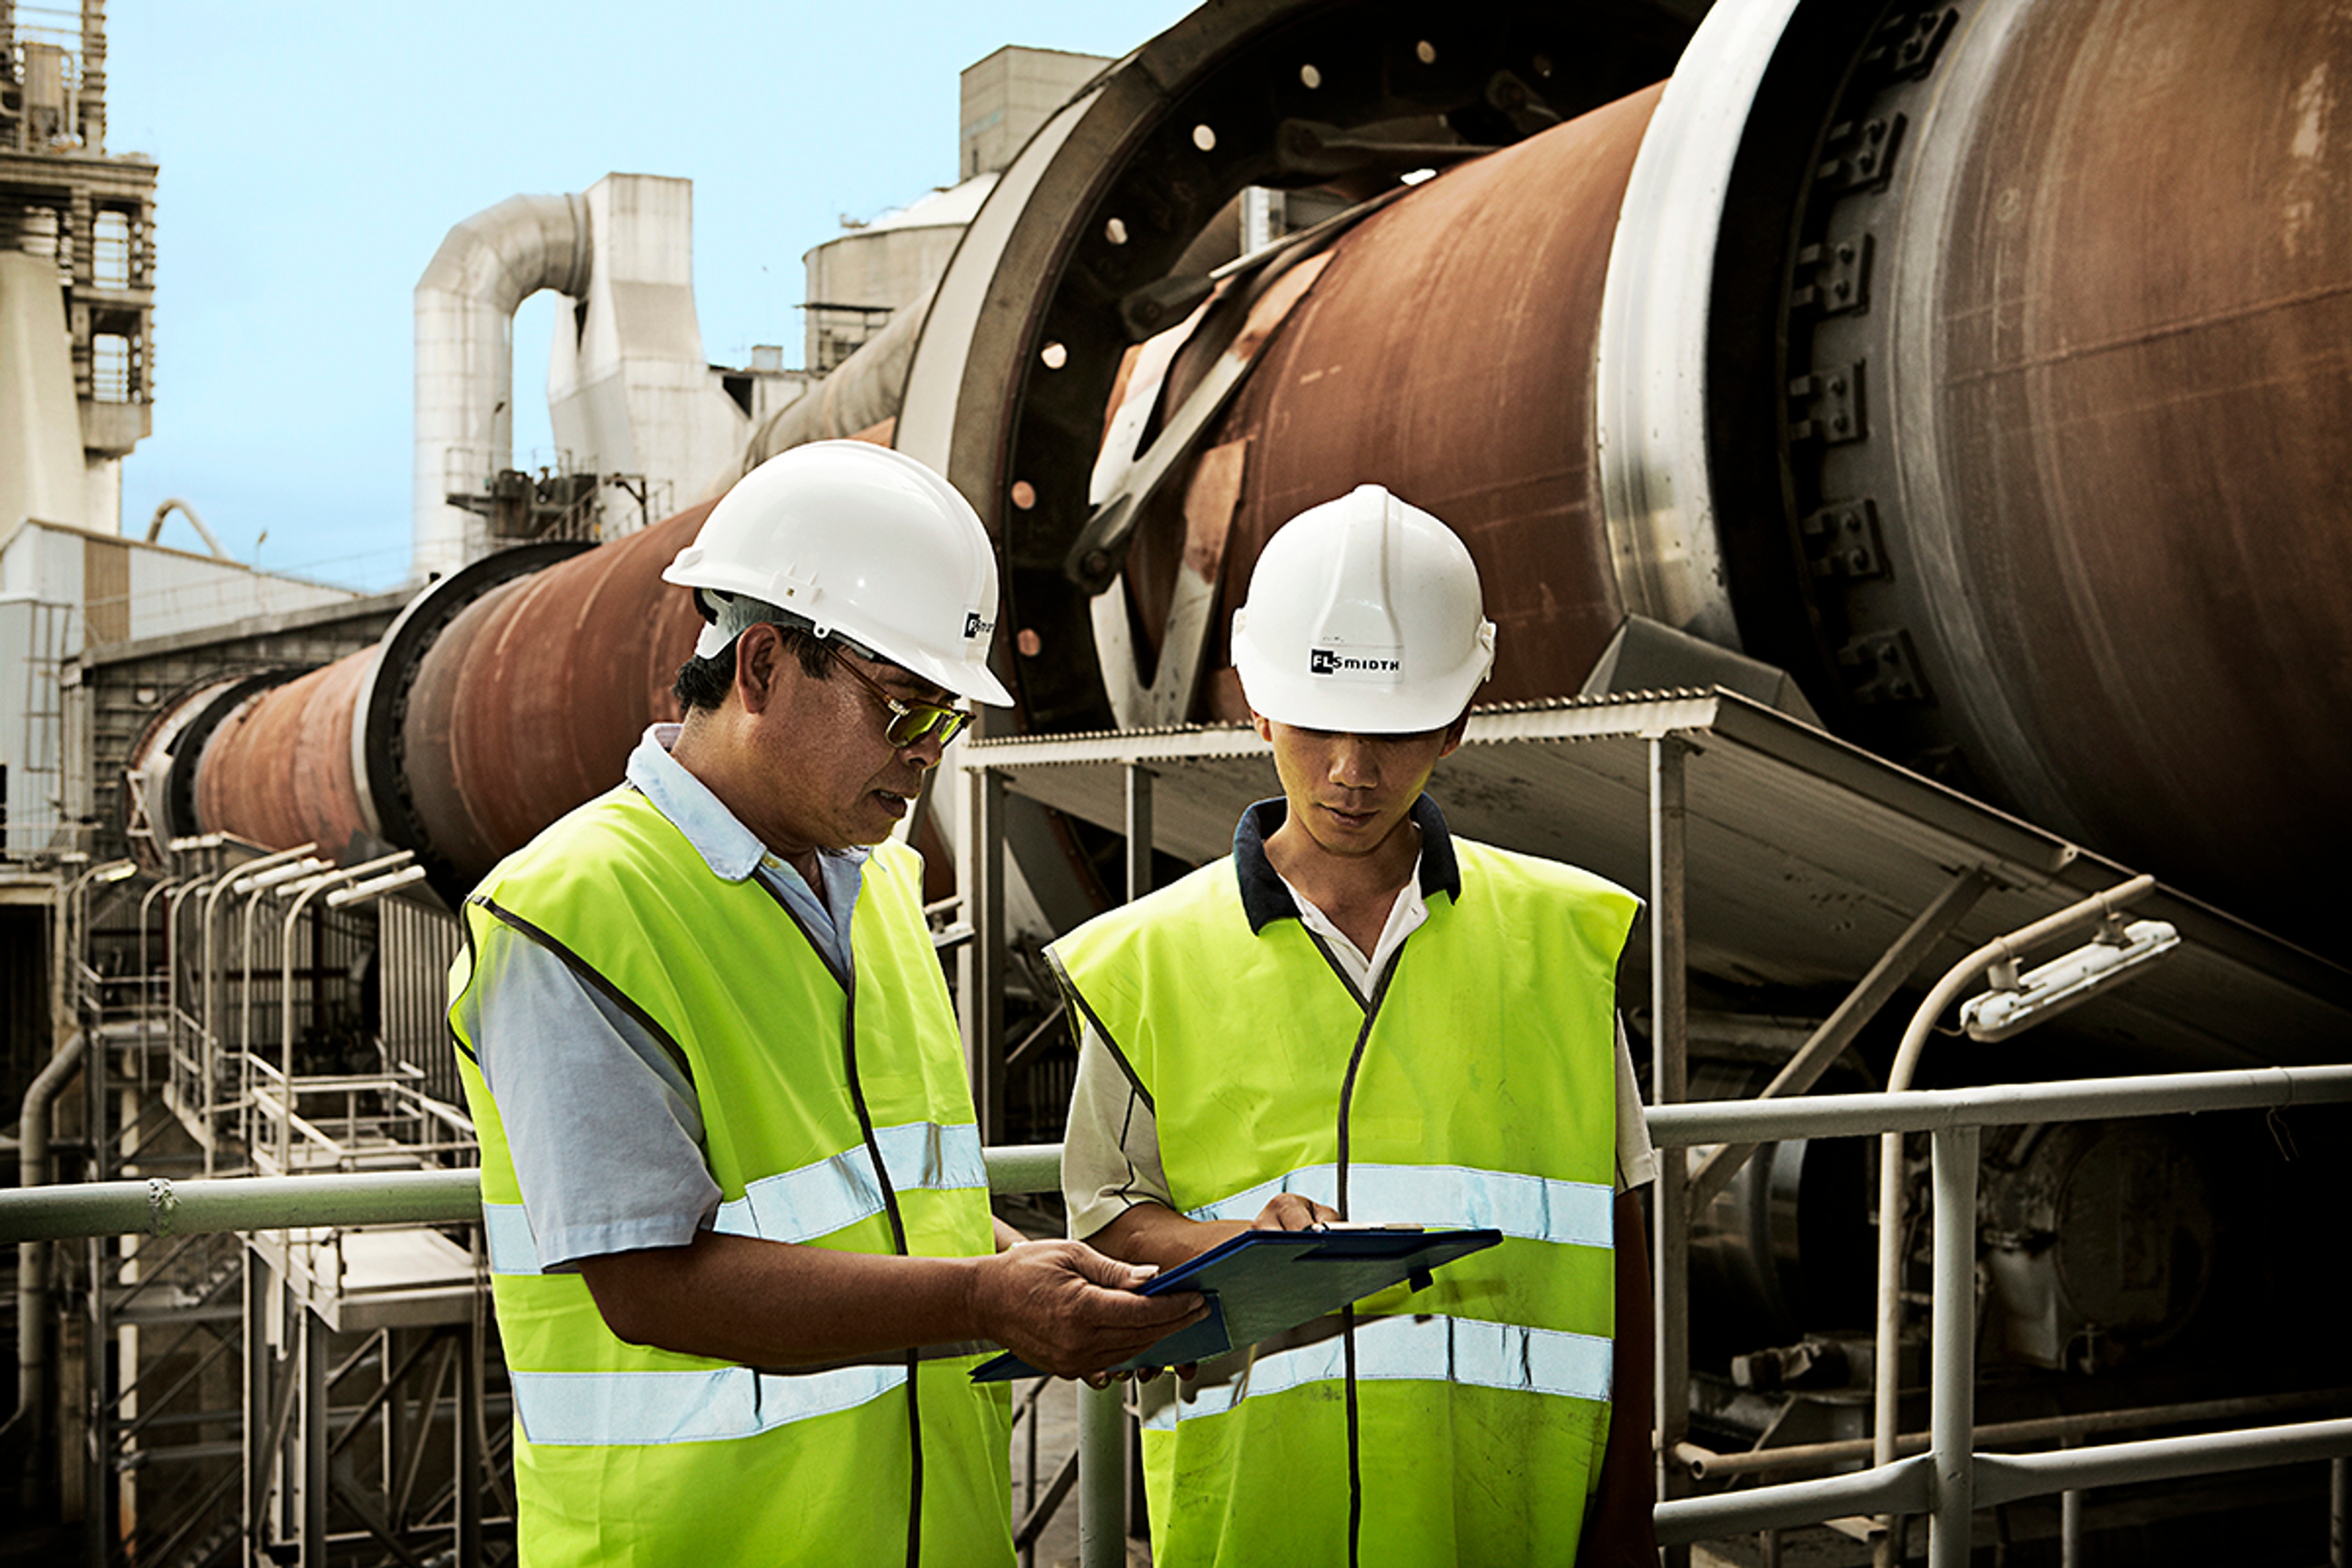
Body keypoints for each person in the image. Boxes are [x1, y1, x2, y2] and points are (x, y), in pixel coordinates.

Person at [447, 439, 1205, 1567]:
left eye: (948, 723)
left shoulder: (879, 883)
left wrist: (1035, 1270)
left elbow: (894, 1201)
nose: (927, 759)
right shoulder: (574, 912)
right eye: (904, 710)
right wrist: (988, 1301)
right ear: (759, 666)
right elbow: (651, 1285)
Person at [1050, 484, 1660, 1566]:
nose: (1352, 771)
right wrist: (1233, 1245)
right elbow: (1105, 1230)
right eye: (1321, 725)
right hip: (1263, 1522)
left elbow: (1626, 1253)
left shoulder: (1565, 944)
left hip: (1513, 1521)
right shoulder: (1141, 963)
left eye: (1395, 730)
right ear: (1257, 705)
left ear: (1460, 722)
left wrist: (1625, 1522)